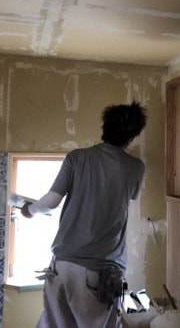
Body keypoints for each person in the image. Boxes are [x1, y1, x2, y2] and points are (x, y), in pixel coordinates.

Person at [21, 101, 147, 328]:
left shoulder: (76, 157)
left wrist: (29, 209)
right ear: (131, 138)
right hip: (100, 272)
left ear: (104, 128)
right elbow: (126, 198)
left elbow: (51, 202)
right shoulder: (136, 167)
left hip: (60, 268)